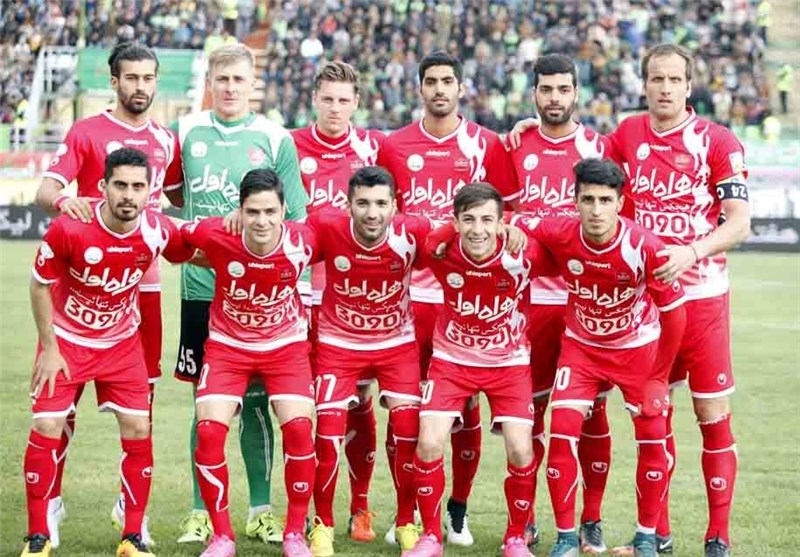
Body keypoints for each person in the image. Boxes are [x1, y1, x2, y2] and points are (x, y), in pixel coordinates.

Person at [605, 44, 751, 557]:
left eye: (674, 79)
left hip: (703, 300)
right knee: (652, 417)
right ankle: (656, 534)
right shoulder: (625, 135)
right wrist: (527, 128)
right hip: (647, 306)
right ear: (644, 84)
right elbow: (589, 179)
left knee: (712, 415)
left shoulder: (718, 141)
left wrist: (692, 251)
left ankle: (718, 536)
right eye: (656, 78)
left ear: (689, 86)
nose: (664, 88)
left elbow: (739, 224)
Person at [33, 42, 180, 548]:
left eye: (148, 77)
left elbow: (176, 200)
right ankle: (50, 504)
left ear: (157, 81)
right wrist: (68, 200)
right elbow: (46, 192)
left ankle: (129, 508)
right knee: (62, 405)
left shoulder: (165, 140)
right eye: (131, 77)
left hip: (143, 288)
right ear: (114, 82)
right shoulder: (86, 131)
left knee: (143, 406)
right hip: (87, 286)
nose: (140, 86)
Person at [164, 43, 309, 545]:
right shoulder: (184, 131)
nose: (229, 88)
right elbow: (174, 197)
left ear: (254, 84)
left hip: (262, 299)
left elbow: (295, 217)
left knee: (260, 405)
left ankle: (261, 510)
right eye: (221, 79)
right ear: (209, 81)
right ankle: (200, 512)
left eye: (238, 80)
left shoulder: (275, 138)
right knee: (206, 406)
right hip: (201, 291)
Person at [376, 51, 520, 546]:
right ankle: (407, 516)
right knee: (407, 408)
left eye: (447, 81)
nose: (440, 89)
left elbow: (508, 214)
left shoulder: (487, 144)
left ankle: (456, 509)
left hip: (467, 298)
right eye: (431, 81)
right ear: (419, 88)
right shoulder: (394, 145)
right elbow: (384, 214)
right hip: (406, 297)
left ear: (461, 88)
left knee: (468, 409)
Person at [22, 148, 193, 557]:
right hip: (66, 342)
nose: (128, 195)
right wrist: (49, 347)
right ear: (103, 187)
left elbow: (194, 248)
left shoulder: (155, 229)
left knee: (138, 428)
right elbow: (39, 284)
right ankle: (37, 536)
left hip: (121, 345)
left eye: (138, 187)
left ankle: (132, 536)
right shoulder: (70, 228)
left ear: (150, 192)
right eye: (120, 185)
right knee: (47, 424)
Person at [512, 158, 687, 557]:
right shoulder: (560, 229)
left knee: (652, 437)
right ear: (574, 201)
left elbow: (676, 313)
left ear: (620, 204)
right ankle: (566, 539)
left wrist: (659, 378)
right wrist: (513, 231)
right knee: (562, 430)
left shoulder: (645, 246)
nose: (596, 210)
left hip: (636, 349)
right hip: (582, 348)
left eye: (605, 200)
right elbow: (511, 221)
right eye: (588, 199)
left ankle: (646, 538)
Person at [403, 183, 551, 557]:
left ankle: (515, 538)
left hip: (509, 363)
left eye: (487, 220)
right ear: (456, 223)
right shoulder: (442, 251)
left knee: (521, 449)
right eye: (468, 220)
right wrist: (444, 231)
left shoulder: (524, 254)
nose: (478, 229)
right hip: (452, 361)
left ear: (501, 223)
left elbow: (560, 247)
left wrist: (517, 225)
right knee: (429, 442)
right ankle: (430, 537)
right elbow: (426, 239)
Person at [177, 168, 316, 557]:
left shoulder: (304, 239)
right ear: (239, 211)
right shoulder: (216, 233)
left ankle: (294, 535)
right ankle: (222, 537)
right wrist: (210, 257)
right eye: (253, 212)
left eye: (271, 212)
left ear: (284, 211)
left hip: (286, 347)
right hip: (228, 347)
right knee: (208, 430)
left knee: (300, 428)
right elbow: (172, 241)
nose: (262, 221)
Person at [508, 53, 612, 552]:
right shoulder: (513, 145)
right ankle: (525, 520)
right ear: (534, 93)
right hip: (524, 306)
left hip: (582, 306)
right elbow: (495, 212)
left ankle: (590, 520)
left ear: (576, 93)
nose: (554, 98)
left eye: (563, 89)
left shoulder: (599, 147)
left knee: (590, 416)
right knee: (527, 415)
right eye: (546, 89)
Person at [305, 166, 429, 555]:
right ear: (348, 205)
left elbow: (462, 243)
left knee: (408, 430)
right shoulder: (325, 226)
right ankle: (322, 525)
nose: (372, 213)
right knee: (327, 433)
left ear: (395, 206)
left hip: (396, 345)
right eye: (362, 204)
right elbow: (280, 238)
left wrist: (507, 230)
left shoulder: (415, 232)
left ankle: (406, 522)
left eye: (380, 204)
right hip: (338, 344)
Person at [291, 61, 385, 543]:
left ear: (356, 103)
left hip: (353, 300)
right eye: (327, 99)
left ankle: (361, 506)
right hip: (295, 296)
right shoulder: (287, 146)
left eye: (344, 100)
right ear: (314, 98)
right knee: (306, 407)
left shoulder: (374, 147)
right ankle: (310, 513)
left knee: (359, 404)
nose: (335, 108)